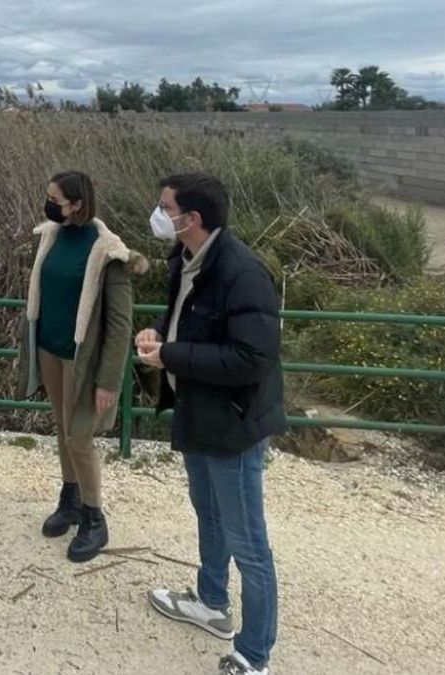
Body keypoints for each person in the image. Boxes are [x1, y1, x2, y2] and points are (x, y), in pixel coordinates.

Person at [135, 173, 284, 675]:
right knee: (209, 513)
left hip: (233, 423)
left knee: (249, 541)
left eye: (164, 206)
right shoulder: (186, 259)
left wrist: (172, 355)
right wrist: (157, 333)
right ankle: (211, 602)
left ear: (191, 218)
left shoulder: (242, 272)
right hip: (198, 411)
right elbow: (183, 318)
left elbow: (251, 359)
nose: (158, 214)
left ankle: (254, 653)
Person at [19, 171, 144, 562]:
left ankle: (94, 517)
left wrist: (109, 380)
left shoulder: (108, 250)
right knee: (63, 428)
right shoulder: (52, 236)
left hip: (83, 359)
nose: (49, 204)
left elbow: (121, 326)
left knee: (80, 437)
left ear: (76, 202)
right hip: (50, 349)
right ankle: (69, 498)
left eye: (54, 198)